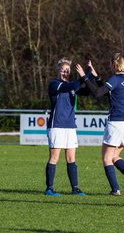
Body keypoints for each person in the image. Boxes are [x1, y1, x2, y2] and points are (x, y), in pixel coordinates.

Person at [76, 52, 124, 196]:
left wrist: (84, 77)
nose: (109, 66)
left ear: (115, 64)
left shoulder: (115, 78)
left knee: (106, 158)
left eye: (110, 63)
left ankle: (115, 189)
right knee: (115, 156)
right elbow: (107, 92)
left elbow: (98, 93)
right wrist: (96, 76)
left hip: (116, 123)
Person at [45, 57, 97, 196]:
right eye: (63, 70)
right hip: (56, 126)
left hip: (70, 126)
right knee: (54, 157)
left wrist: (90, 74)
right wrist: (85, 75)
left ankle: (75, 188)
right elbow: (71, 86)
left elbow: (88, 91)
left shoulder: (73, 85)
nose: (65, 73)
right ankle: (49, 188)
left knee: (71, 158)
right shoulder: (54, 84)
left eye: (67, 71)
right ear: (58, 71)